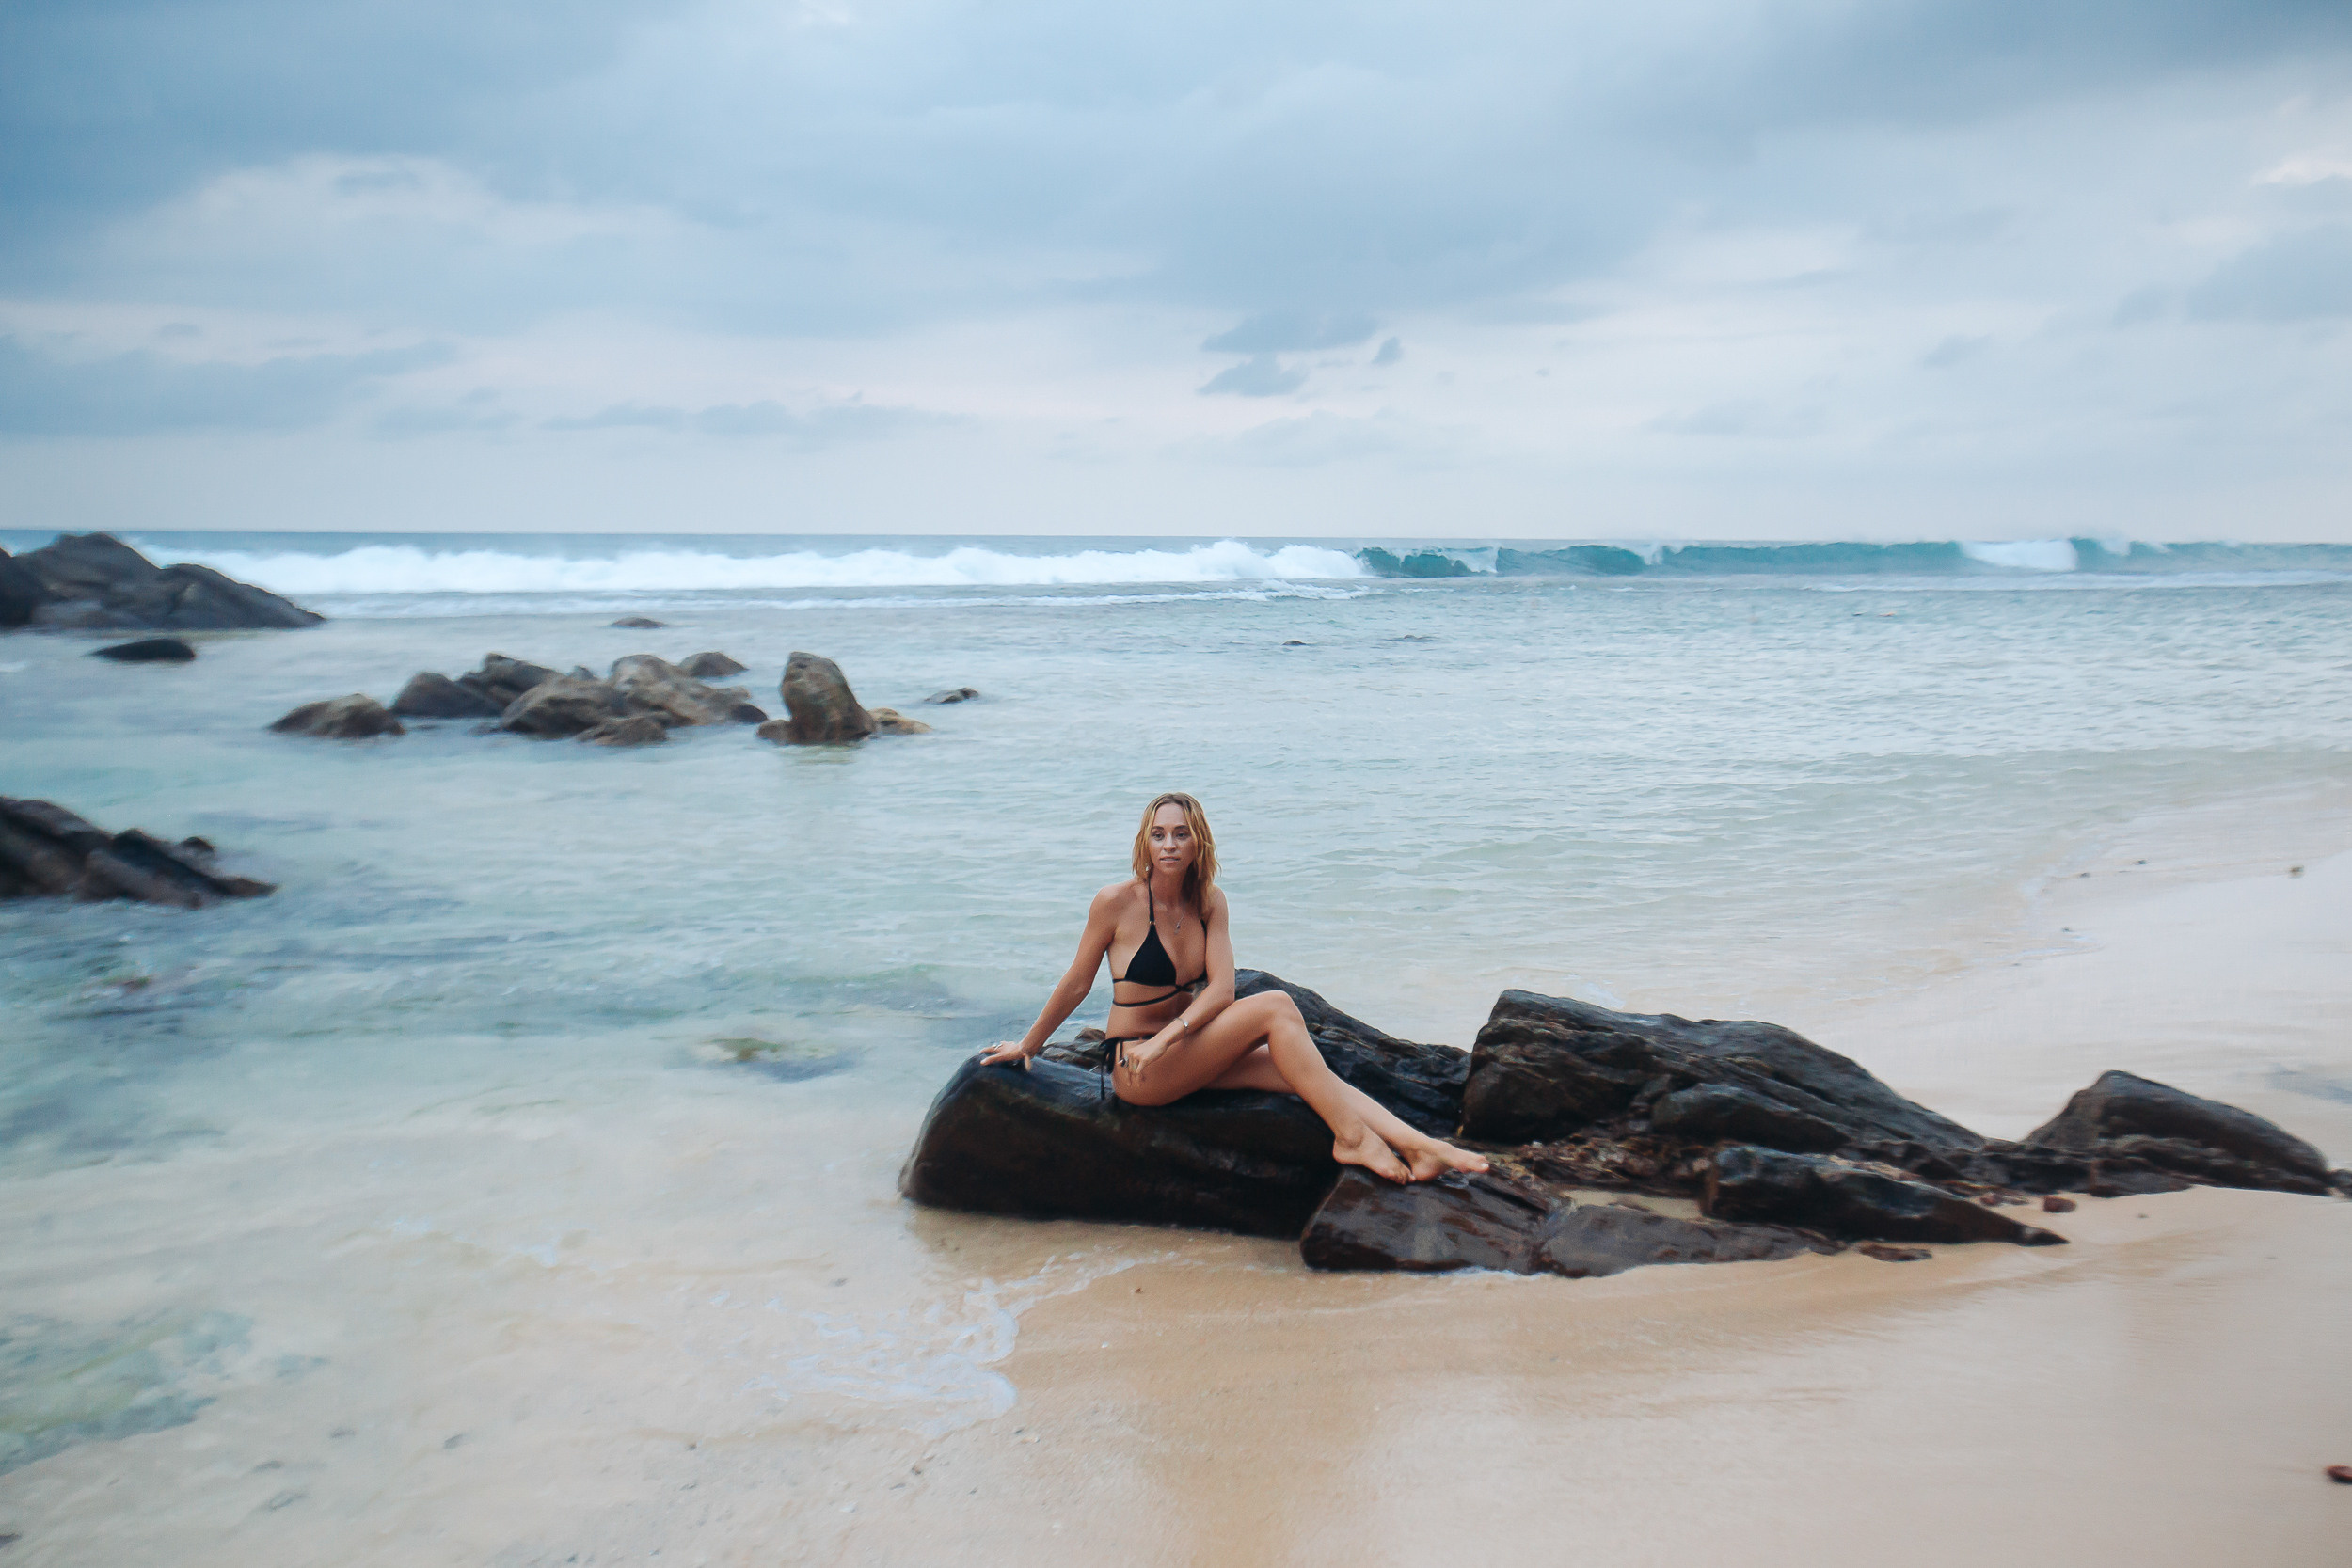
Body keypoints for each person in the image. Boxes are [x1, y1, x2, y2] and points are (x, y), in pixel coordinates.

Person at [980, 792, 1489, 1184]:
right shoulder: (1116, 902)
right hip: (1137, 1069)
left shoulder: (1209, 902)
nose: (1169, 845)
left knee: (1303, 1073)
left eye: (1180, 834)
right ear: (1144, 843)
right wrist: (1029, 1046)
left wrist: (1169, 1038)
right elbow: (1076, 983)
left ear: (1198, 840)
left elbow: (1222, 989)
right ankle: (1352, 1138)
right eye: (1158, 835)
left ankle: (1419, 1145)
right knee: (1276, 1007)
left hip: (1180, 1053)